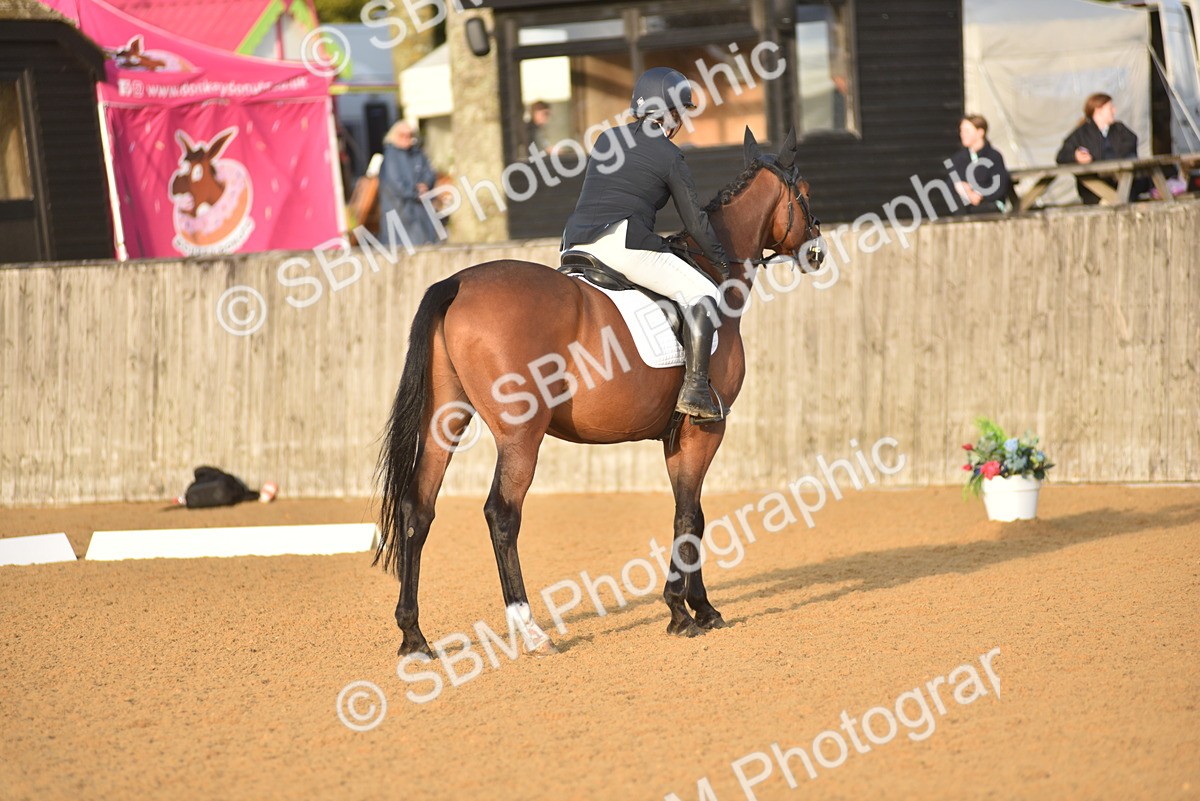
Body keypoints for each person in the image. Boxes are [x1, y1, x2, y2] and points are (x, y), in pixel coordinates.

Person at [561, 67, 731, 423]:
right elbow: (695, 223)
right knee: (704, 292)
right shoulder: (669, 155)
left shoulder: (606, 139)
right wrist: (722, 264)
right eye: (680, 113)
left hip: (574, 245)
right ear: (670, 112)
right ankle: (696, 390)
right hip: (622, 246)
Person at [1055, 93, 1145, 204]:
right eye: (1110, 108)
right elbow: (1061, 156)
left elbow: (1131, 147)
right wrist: (1075, 156)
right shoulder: (1081, 134)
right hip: (1095, 195)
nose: (1114, 111)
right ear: (1098, 110)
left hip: (1123, 189)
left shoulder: (1120, 129)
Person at [378, 121, 438, 246]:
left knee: (425, 244)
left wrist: (426, 184)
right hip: (400, 211)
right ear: (393, 136)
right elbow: (395, 184)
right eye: (402, 135)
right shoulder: (391, 157)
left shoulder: (418, 154)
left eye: (409, 135)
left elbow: (429, 173)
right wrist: (415, 192)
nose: (406, 138)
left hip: (420, 212)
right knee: (403, 247)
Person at [948, 114, 1011, 214]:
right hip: (964, 211)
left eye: (967, 131)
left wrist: (979, 194)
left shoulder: (994, 156)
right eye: (961, 131)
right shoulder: (958, 159)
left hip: (989, 208)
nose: (963, 134)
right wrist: (967, 193)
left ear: (980, 132)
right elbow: (951, 186)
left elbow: (1000, 186)